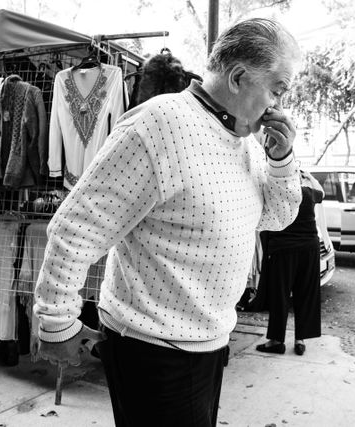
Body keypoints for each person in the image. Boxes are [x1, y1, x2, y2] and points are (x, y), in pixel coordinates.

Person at [33, 18, 302, 427]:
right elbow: (77, 228)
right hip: (154, 351)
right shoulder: (157, 125)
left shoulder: (242, 141)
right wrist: (57, 325)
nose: (277, 107)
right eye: (276, 90)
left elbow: (276, 217)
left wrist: (281, 161)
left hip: (207, 344)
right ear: (238, 77)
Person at [255, 170, 325, 356]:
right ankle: (300, 339)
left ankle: (276, 341)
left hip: (283, 249)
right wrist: (310, 177)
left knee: (280, 295)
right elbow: (322, 193)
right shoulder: (309, 193)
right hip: (308, 248)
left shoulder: (275, 193)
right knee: (305, 293)